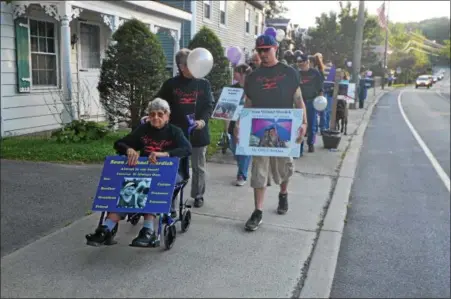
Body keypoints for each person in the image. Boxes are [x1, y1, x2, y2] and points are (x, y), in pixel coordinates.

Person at [85, 98, 192, 247]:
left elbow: (187, 149)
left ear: (167, 115)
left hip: (171, 171)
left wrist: (165, 154)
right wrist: (128, 149)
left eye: (160, 114)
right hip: (145, 170)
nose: (156, 118)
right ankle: (106, 228)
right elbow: (119, 143)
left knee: (150, 186)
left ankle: (148, 230)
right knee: (128, 186)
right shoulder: (144, 129)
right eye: (152, 114)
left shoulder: (175, 131)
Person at [234, 34, 307, 231]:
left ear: (275, 48)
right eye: (260, 50)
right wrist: (240, 122)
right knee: (259, 170)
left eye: (267, 49)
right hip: (259, 128)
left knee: (284, 169)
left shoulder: (289, 73)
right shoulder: (253, 77)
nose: (263, 54)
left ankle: (283, 193)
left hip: (284, 128)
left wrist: (304, 123)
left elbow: (299, 100)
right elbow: (248, 103)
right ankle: (258, 211)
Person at [156, 48, 214, 208]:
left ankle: (198, 195)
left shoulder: (203, 83)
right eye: (191, 62)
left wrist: (202, 120)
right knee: (176, 167)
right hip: (177, 134)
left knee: (198, 167)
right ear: (181, 66)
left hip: (198, 132)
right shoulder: (171, 84)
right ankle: (173, 197)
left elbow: (209, 106)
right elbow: (159, 104)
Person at [226, 64, 253, 186]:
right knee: (235, 149)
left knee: (244, 150)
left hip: (247, 123)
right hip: (233, 122)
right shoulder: (232, 89)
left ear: (243, 74)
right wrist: (225, 124)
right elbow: (226, 107)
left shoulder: (252, 89)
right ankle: (243, 166)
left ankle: (242, 174)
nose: (234, 74)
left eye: (236, 71)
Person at [296, 53, 324, 154]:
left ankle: (311, 143)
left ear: (307, 62)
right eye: (298, 62)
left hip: (312, 101)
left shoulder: (315, 73)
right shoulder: (297, 73)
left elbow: (320, 87)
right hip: (300, 102)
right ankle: (300, 146)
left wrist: (320, 100)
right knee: (300, 124)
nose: (299, 64)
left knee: (312, 124)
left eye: (301, 62)